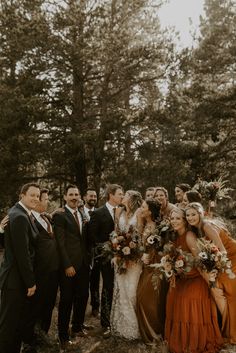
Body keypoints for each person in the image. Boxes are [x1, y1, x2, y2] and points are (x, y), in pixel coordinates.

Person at [165, 208, 223, 353]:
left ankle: (195, 340)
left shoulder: (189, 235)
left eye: (178, 218)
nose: (174, 221)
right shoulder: (174, 235)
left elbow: (199, 262)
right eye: (172, 218)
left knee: (187, 298)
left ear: (184, 220)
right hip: (183, 278)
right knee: (172, 295)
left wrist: (210, 283)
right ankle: (180, 338)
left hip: (197, 278)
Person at [185, 202, 236, 344]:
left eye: (193, 214)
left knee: (229, 289)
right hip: (221, 261)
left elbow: (222, 250)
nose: (190, 217)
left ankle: (232, 332)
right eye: (187, 215)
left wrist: (217, 268)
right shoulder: (195, 231)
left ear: (200, 214)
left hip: (231, 258)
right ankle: (229, 330)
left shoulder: (206, 226)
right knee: (220, 290)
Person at [0, 183, 40, 353]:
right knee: (9, 325)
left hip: (17, 278)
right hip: (16, 280)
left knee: (16, 323)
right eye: (32, 195)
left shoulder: (20, 213)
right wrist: (30, 282)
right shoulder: (20, 216)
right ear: (22, 195)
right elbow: (22, 254)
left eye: (38, 196)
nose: (36, 199)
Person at [53, 184, 90, 350]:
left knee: (83, 295)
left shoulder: (82, 213)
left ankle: (77, 326)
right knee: (66, 300)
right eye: (71, 194)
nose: (74, 197)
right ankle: (62, 336)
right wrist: (67, 265)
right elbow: (60, 243)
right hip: (68, 265)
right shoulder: (61, 216)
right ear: (65, 197)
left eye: (76, 194)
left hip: (83, 264)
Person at [88, 184, 123, 338]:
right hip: (106, 258)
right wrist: (107, 248)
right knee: (107, 287)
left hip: (123, 256)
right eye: (120, 194)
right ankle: (106, 322)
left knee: (120, 287)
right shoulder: (98, 213)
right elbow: (93, 236)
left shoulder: (123, 211)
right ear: (111, 194)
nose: (122, 196)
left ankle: (120, 318)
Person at [110, 190, 143, 340]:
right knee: (121, 290)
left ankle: (136, 328)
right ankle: (123, 328)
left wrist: (133, 250)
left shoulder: (139, 213)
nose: (123, 196)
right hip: (120, 255)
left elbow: (141, 235)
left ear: (133, 199)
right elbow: (116, 232)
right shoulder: (119, 212)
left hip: (135, 259)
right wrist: (116, 247)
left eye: (126, 195)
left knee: (132, 292)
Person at [136, 199, 168, 343]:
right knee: (141, 298)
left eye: (143, 207)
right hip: (145, 267)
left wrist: (151, 255)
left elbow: (163, 248)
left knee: (149, 300)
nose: (140, 209)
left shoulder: (159, 227)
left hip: (155, 267)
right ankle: (147, 333)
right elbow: (139, 242)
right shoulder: (144, 224)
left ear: (150, 211)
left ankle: (155, 333)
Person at [31, 188, 59, 343]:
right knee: (37, 305)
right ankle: (32, 337)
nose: (48, 201)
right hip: (39, 271)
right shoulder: (30, 220)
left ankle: (44, 332)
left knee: (49, 303)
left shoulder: (46, 217)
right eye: (46, 199)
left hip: (53, 270)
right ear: (37, 201)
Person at [82, 188, 100, 317]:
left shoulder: (99, 213)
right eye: (90, 196)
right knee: (82, 282)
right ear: (84, 197)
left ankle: (95, 306)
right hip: (82, 252)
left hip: (96, 252)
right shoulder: (78, 211)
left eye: (95, 196)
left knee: (95, 280)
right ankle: (80, 307)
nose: (93, 198)